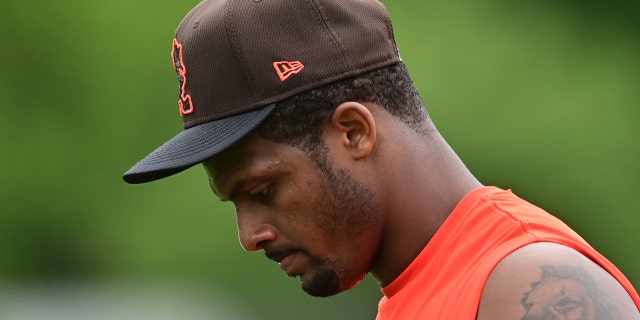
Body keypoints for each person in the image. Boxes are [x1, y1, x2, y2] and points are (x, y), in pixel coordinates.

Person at [123, 0, 640, 318]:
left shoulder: (528, 285)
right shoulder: (418, 291)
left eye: (261, 191)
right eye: (234, 203)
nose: (249, 234)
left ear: (354, 132)